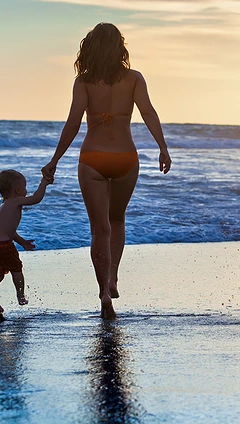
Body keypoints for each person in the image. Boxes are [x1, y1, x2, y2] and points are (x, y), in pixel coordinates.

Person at [43, 22, 171, 320]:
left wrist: (54, 160)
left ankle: (103, 291)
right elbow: (148, 112)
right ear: (119, 48)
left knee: (99, 228)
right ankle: (113, 277)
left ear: (90, 48)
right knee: (117, 219)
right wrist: (163, 147)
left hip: (93, 159)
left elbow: (73, 123)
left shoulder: (83, 82)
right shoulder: (134, 78)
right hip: (126, 157)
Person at [0, 169, 50, 321]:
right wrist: (44, 183)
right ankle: (20, 295)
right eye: (25, 187)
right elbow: (36, 198)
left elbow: (10, 231)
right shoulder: (16, 201)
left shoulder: (4, 206)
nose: (26, 191)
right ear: (18, 190)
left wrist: (23, 242)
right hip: (4, 245)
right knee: (16, 268)